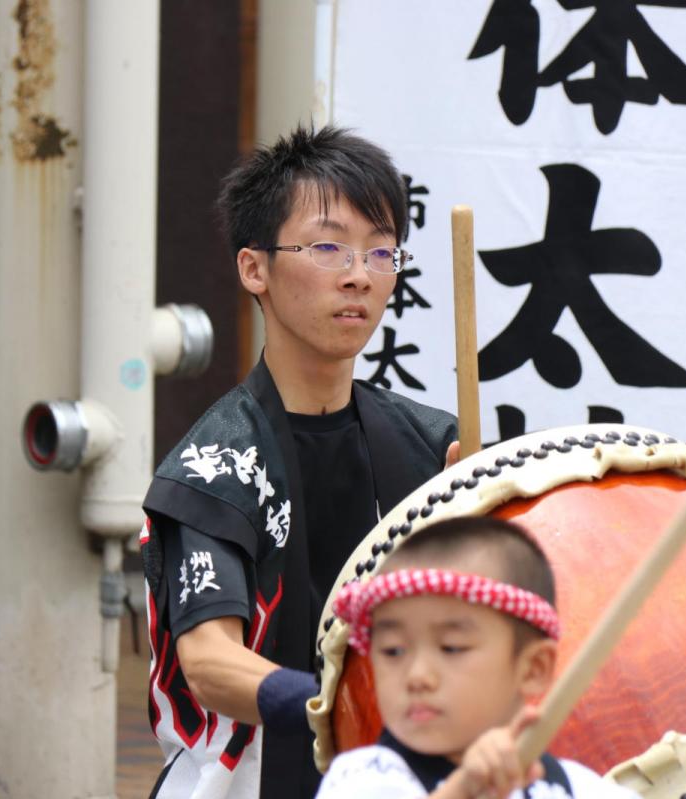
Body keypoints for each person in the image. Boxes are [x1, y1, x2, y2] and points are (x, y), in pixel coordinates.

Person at [139, 125, 459, 799]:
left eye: (380, 251)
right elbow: (210, 661)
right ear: (254, 268)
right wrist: (344, 706)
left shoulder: (433, 446)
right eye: (327, 247)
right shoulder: (213, 469)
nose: (358, 274)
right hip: (246, 781)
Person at [317, 516, 640, 799]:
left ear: (532, 668)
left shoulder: (578, 788)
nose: (417, 675)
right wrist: (464, 791)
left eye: (451, 647)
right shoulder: (365, 777)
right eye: (393, 651)